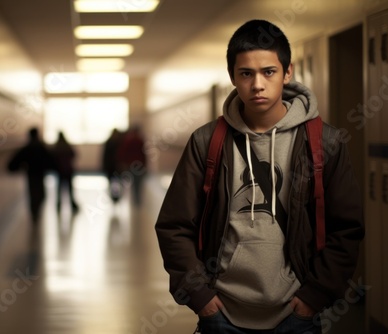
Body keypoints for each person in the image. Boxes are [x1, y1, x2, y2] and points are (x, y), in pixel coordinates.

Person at [155, 19, 364, 334]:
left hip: (296, 313)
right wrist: (201, 297)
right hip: (221, 312)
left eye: (269, 72)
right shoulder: (206, 141)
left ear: (287, 72)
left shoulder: (325, 143)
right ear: (233, 77)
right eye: (246, 73)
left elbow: (345, 229)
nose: (257, 85)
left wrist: (314, 296)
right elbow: (174, 226)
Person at [8, 127, 56, 224]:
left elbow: (15, 162)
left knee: (33, 194)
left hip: (32, 174)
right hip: (39, 174)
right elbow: (50, 159)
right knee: (40, 194)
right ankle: (35, 212)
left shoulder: (28, 148)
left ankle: (34, 212)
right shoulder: (40, 147)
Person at [116, 125, 147, 206]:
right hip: (138, 165)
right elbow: (143, 154)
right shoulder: (139, 140)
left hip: (130, 165)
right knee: (137, 183)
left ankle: (131, 199)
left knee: (131, 182)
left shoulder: (128, 141)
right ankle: (137, 200)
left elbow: (123, 153)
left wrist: (123, 163)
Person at [51, 131, 79, 213]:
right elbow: (73, 155)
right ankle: (72, 205)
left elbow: (53, 159)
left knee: (59, 189)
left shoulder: (57, 147)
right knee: (70, 189)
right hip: (68, 170)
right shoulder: (67, 146)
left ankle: (58, 205)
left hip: (60, 171)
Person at [102, 128, 124, 203]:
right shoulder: (117, 142)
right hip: (112, 166)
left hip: (114, 166)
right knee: (114, 182)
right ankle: (114, 196)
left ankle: (116, 196)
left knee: (115, 182)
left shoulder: (116, 142)